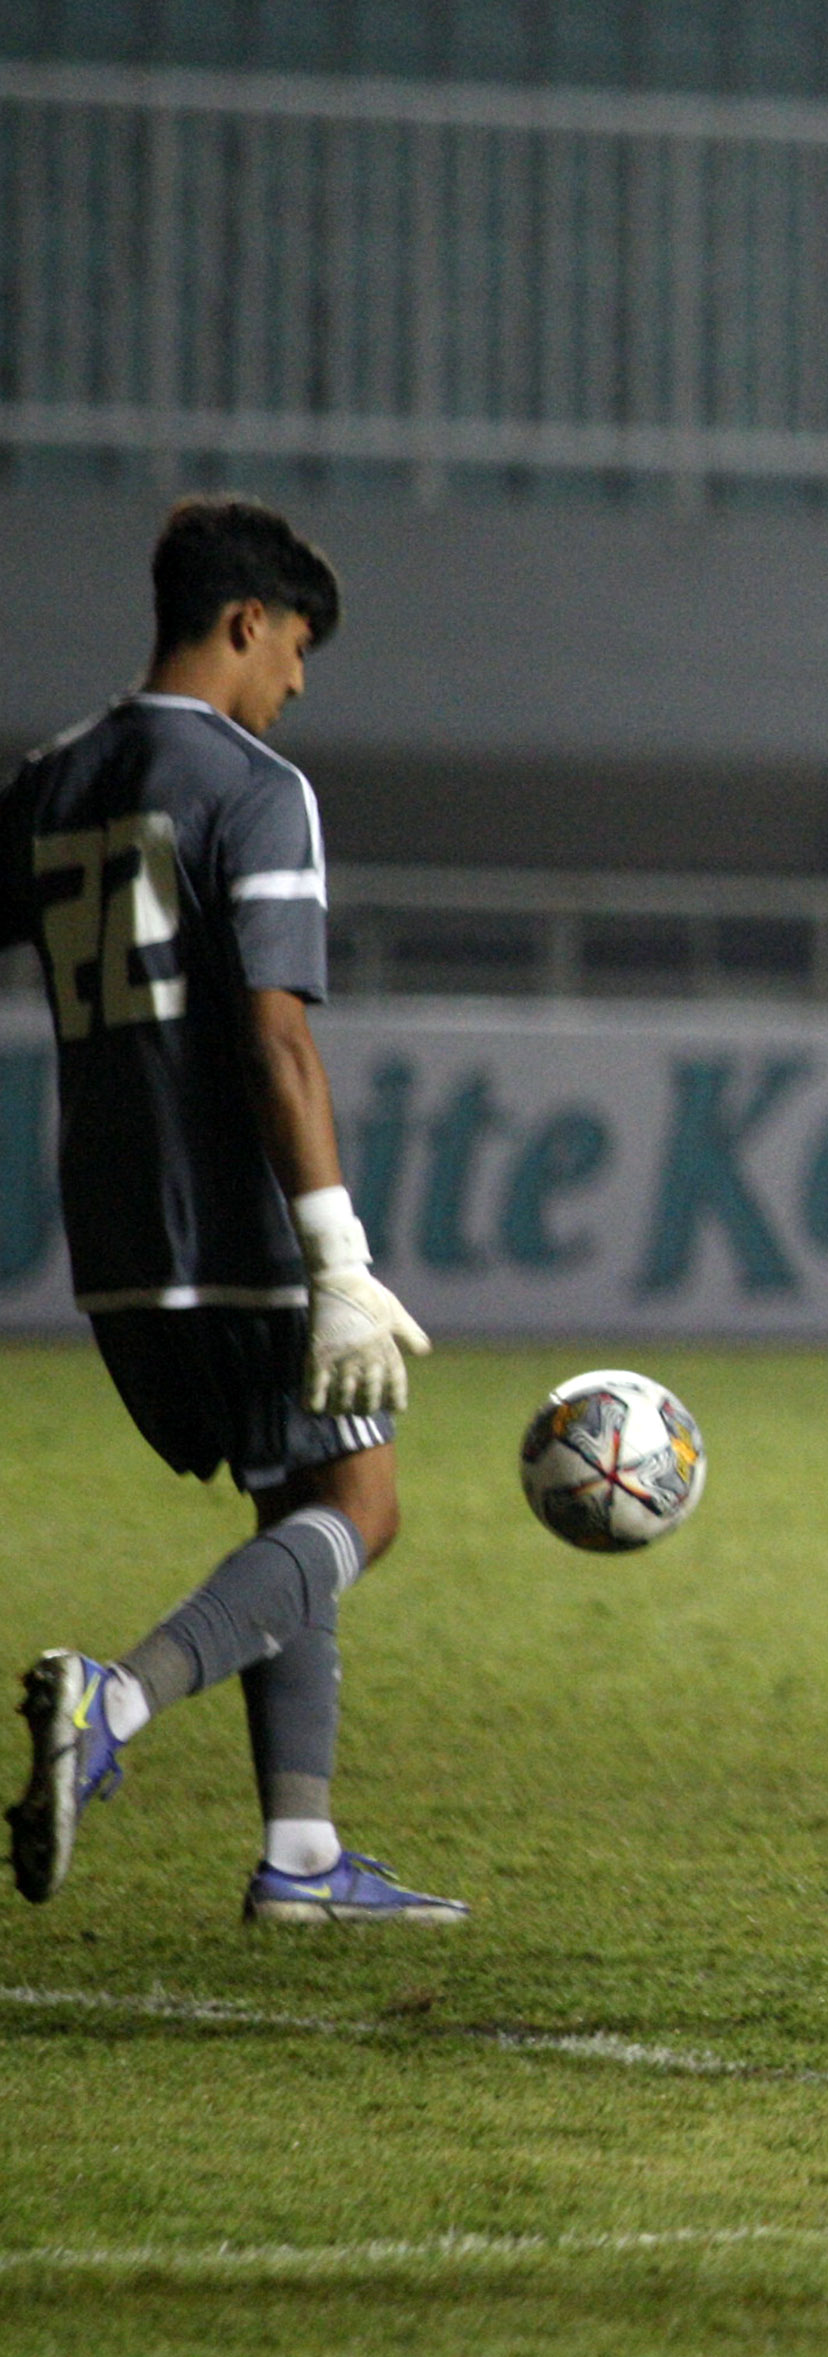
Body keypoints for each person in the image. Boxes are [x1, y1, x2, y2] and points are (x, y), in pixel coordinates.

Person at [9, 496, 456, 1924]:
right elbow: (276, 1033)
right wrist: (337, 1254)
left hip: (118, 1239)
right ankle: (115, 1699)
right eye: (297, 644)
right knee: (360, 1507)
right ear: (245, 620)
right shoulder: (255, 783)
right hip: (243, 1225)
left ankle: (304, 1856)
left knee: (290, 1499)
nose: (300, 681)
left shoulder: (52, 777)